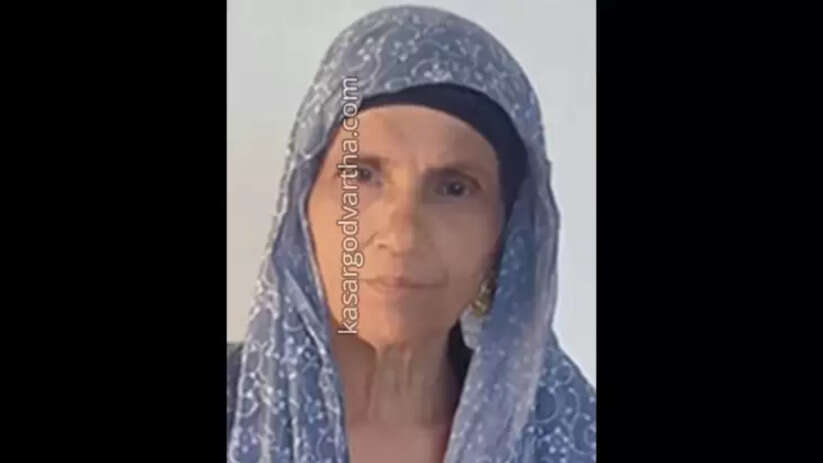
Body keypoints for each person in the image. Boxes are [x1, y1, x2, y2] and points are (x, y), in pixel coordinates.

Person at [227, 5, 595, 462]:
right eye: (361, 175)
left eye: (454, 188)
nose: (402, 236)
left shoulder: (570, 433)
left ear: (507, 233)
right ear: (302, 204)